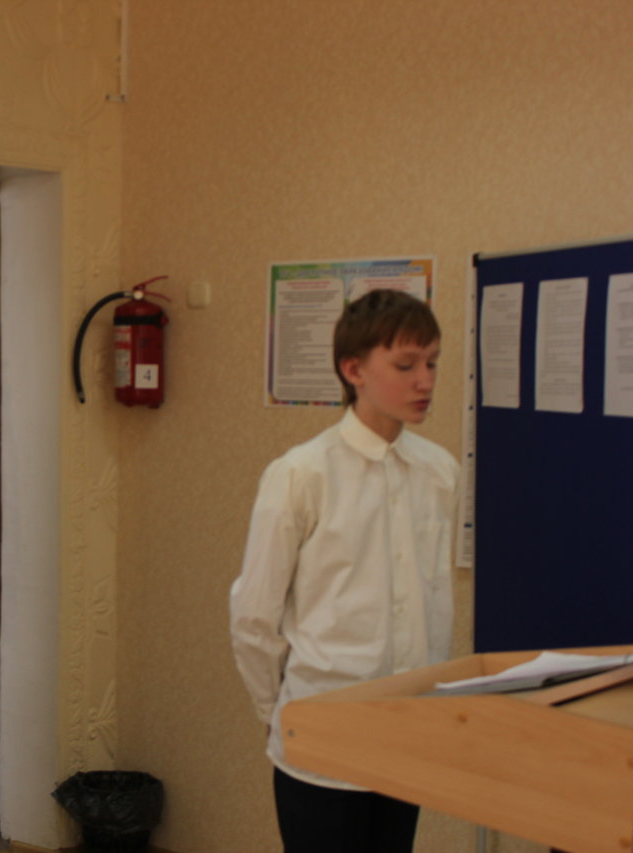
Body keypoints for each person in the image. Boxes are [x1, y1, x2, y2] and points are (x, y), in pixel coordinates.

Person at [230, 288, 459, 853]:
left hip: (408, 732)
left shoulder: (440, 472)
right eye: (405, 366)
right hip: (321, 734)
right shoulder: (300, 474)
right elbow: (254, 615)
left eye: (432, 363)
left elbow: (434, 603)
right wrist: (275, 711)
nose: (425, 381)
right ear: (353, 370)